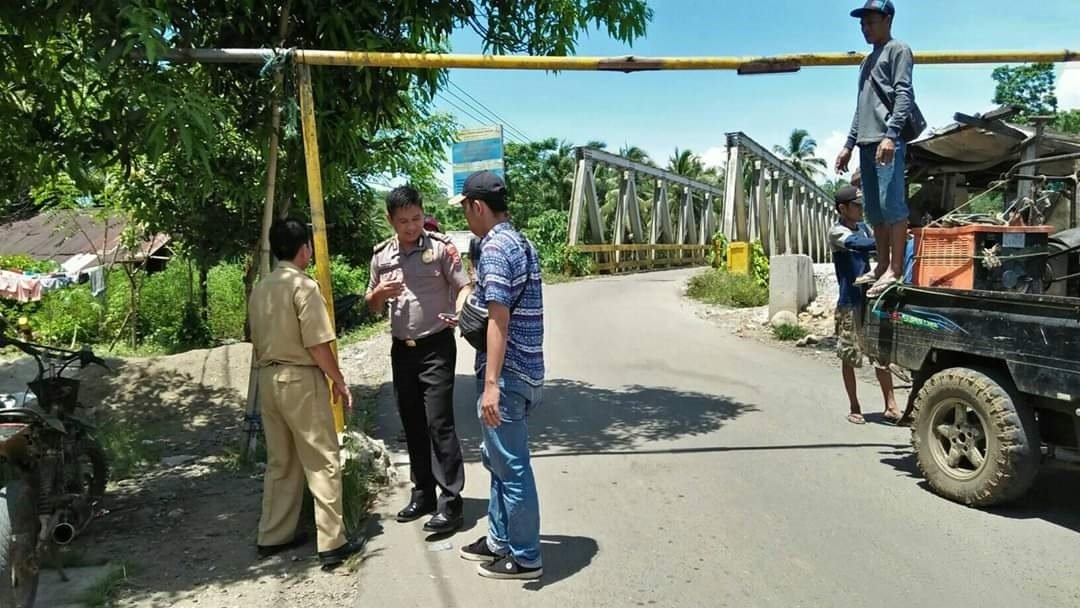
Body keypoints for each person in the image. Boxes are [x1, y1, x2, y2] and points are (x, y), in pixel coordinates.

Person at [248, 218, 364, 568]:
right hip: (300, 379)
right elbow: (317, 343)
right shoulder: (303, 286)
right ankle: (332, 542)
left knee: (281, 461)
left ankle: (273, 534)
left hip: (267, 379)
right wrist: (339, 381)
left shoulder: (261, 288)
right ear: (304, 249)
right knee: (323, 458)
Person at [450, 171, 546, 580]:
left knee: (512, 465)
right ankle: (498, 540)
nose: (467, 218)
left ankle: (525, 557)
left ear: (477, 206)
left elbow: (499, 320)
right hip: (525, 369)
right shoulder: (521, 242)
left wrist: (490, 385)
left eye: (466, 210)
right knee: (498, 462)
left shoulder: (492, 249)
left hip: (506, 375)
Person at [366, 186, 471, 534]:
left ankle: (451, 503)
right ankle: (423, 492)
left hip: (436, 347)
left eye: (415, 219)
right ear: (390, 220)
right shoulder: (381, 256)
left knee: (438, 423)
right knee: (411, 423)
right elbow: (373, 304)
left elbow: (464, 286)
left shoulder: (441, 248)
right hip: (402, 350)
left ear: (422, 214)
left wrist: (459, 311)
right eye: (402, 221)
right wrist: (378, 294)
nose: (410, 227)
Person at [834, 0, 923, 297]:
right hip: (866, 142)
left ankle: (895, 268)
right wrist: (848, 144)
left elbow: (903, 95)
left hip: (887, 141)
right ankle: (881, 264)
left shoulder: (898, 50)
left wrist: (891, 134)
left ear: (887, 19)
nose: (865, 28)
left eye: (871, 22)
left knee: (892, 205)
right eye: (862, 24)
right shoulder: (866, 61)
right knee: (874, 210)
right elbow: (861, 107)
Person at [829, 186, 902, 425]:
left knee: (882, 355)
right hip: (849, 303)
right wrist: (891, 239)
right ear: (843, 208)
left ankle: (891, 406)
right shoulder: (836, 232)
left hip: (870, 300)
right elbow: (861, 244)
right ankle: (854, 405)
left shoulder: (863, 227)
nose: (861, 210)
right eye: (857, 205)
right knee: (849, 356)